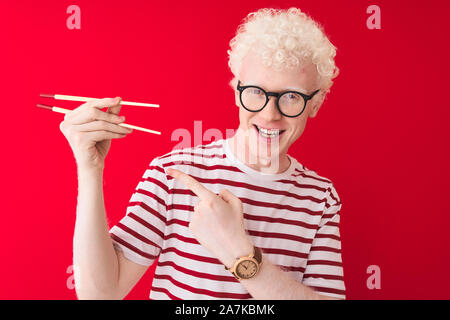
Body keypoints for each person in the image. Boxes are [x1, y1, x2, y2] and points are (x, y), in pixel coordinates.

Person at [60, 7, 345, 300]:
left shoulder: (320, 197)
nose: (270, 114)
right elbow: (98, 295)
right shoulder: (174, 173)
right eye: (256, 92)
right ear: (236, 91)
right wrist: (89, 169)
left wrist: (237, 251)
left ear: (316, 103)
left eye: (291, 97)